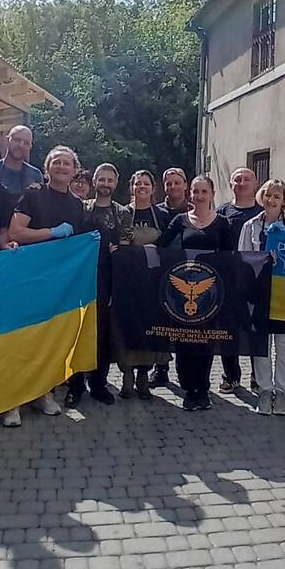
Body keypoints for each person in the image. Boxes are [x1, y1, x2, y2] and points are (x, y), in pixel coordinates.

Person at [5, 145, 88, 426]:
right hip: (30, 278)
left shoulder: (77, 204)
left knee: (49, 341)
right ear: (48, 167)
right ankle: (13, 401)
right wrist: (50, 233)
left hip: (59, 284)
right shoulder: (33, 195)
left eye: (67, 163)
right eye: (57, 162)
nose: (62, 167)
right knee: (24, 340)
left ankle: (42, 393)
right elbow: (16, 232)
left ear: (75, 170)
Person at [155, 175, 235, 412]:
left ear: (212, 194)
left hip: (209, 293)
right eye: (196, 191)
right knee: (183, 340)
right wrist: (129, 252)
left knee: (205, 341)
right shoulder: (180, 220)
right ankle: (189, 389)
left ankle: (203, 389)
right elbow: (160, 246)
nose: (199, 196)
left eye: (204, 191)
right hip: (182, 293)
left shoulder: (223, 223)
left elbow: (230, 257)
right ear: (190, 193)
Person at [237, 179, 285, 415]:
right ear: (261, 197)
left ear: (284, 200)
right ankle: (264, 391)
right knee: (261, 345)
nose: (272, 200)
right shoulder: (251, 226)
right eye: (268, 195)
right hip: (259, 293)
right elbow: (243, 258)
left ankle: (282, 391)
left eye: (277, 196)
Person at [69, 163, 130, 407]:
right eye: (101, 179)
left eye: (109, 180)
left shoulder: (122, 213)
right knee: (77, 331)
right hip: (80, 278)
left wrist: (119, 252)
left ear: (116, 183)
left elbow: (127, 246)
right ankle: (75, 386)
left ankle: (99, 384)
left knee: (102, 334)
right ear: (94, 181)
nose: (105, 184)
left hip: (107, 280)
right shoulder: (81, 208)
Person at [118, 170, 170, 398]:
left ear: (152, 188)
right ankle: (127, 375)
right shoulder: (122, 213)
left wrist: (157, 250)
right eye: (137, 183)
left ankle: (143, 376)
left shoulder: (162, 214)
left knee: (150, 328)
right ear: (131, 187)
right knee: (128, 326)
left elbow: (170, 245)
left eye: (146, 183)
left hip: (153, 281)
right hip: (128, 280)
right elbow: (118, 243)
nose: (141, 187)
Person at [216, 168, 263, 393]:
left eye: (247, 179)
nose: (242, 183)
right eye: (237, 179)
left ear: (256, 184)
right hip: (227, 282)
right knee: (228, 331)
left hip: (255, 283)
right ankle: (231, 376)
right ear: (231, 184)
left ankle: (258, 377)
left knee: (255, 330)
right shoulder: (221, 212)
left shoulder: (262, 213)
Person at [150, 167, 192, 388]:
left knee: (186, 323)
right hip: (162, 274)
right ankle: (161, 369)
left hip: (189, 274)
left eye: (177, 182)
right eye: (169, 183)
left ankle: (186, 372)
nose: (173, 186)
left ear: (185, 185)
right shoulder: (156, 212)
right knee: (161, 323)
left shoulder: (195, 210)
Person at [0, 124, 43, 194]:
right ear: (7, 140)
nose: (21, 145)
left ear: (30, 147)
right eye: (17, 140)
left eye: (26, 143)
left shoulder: (35, 175)